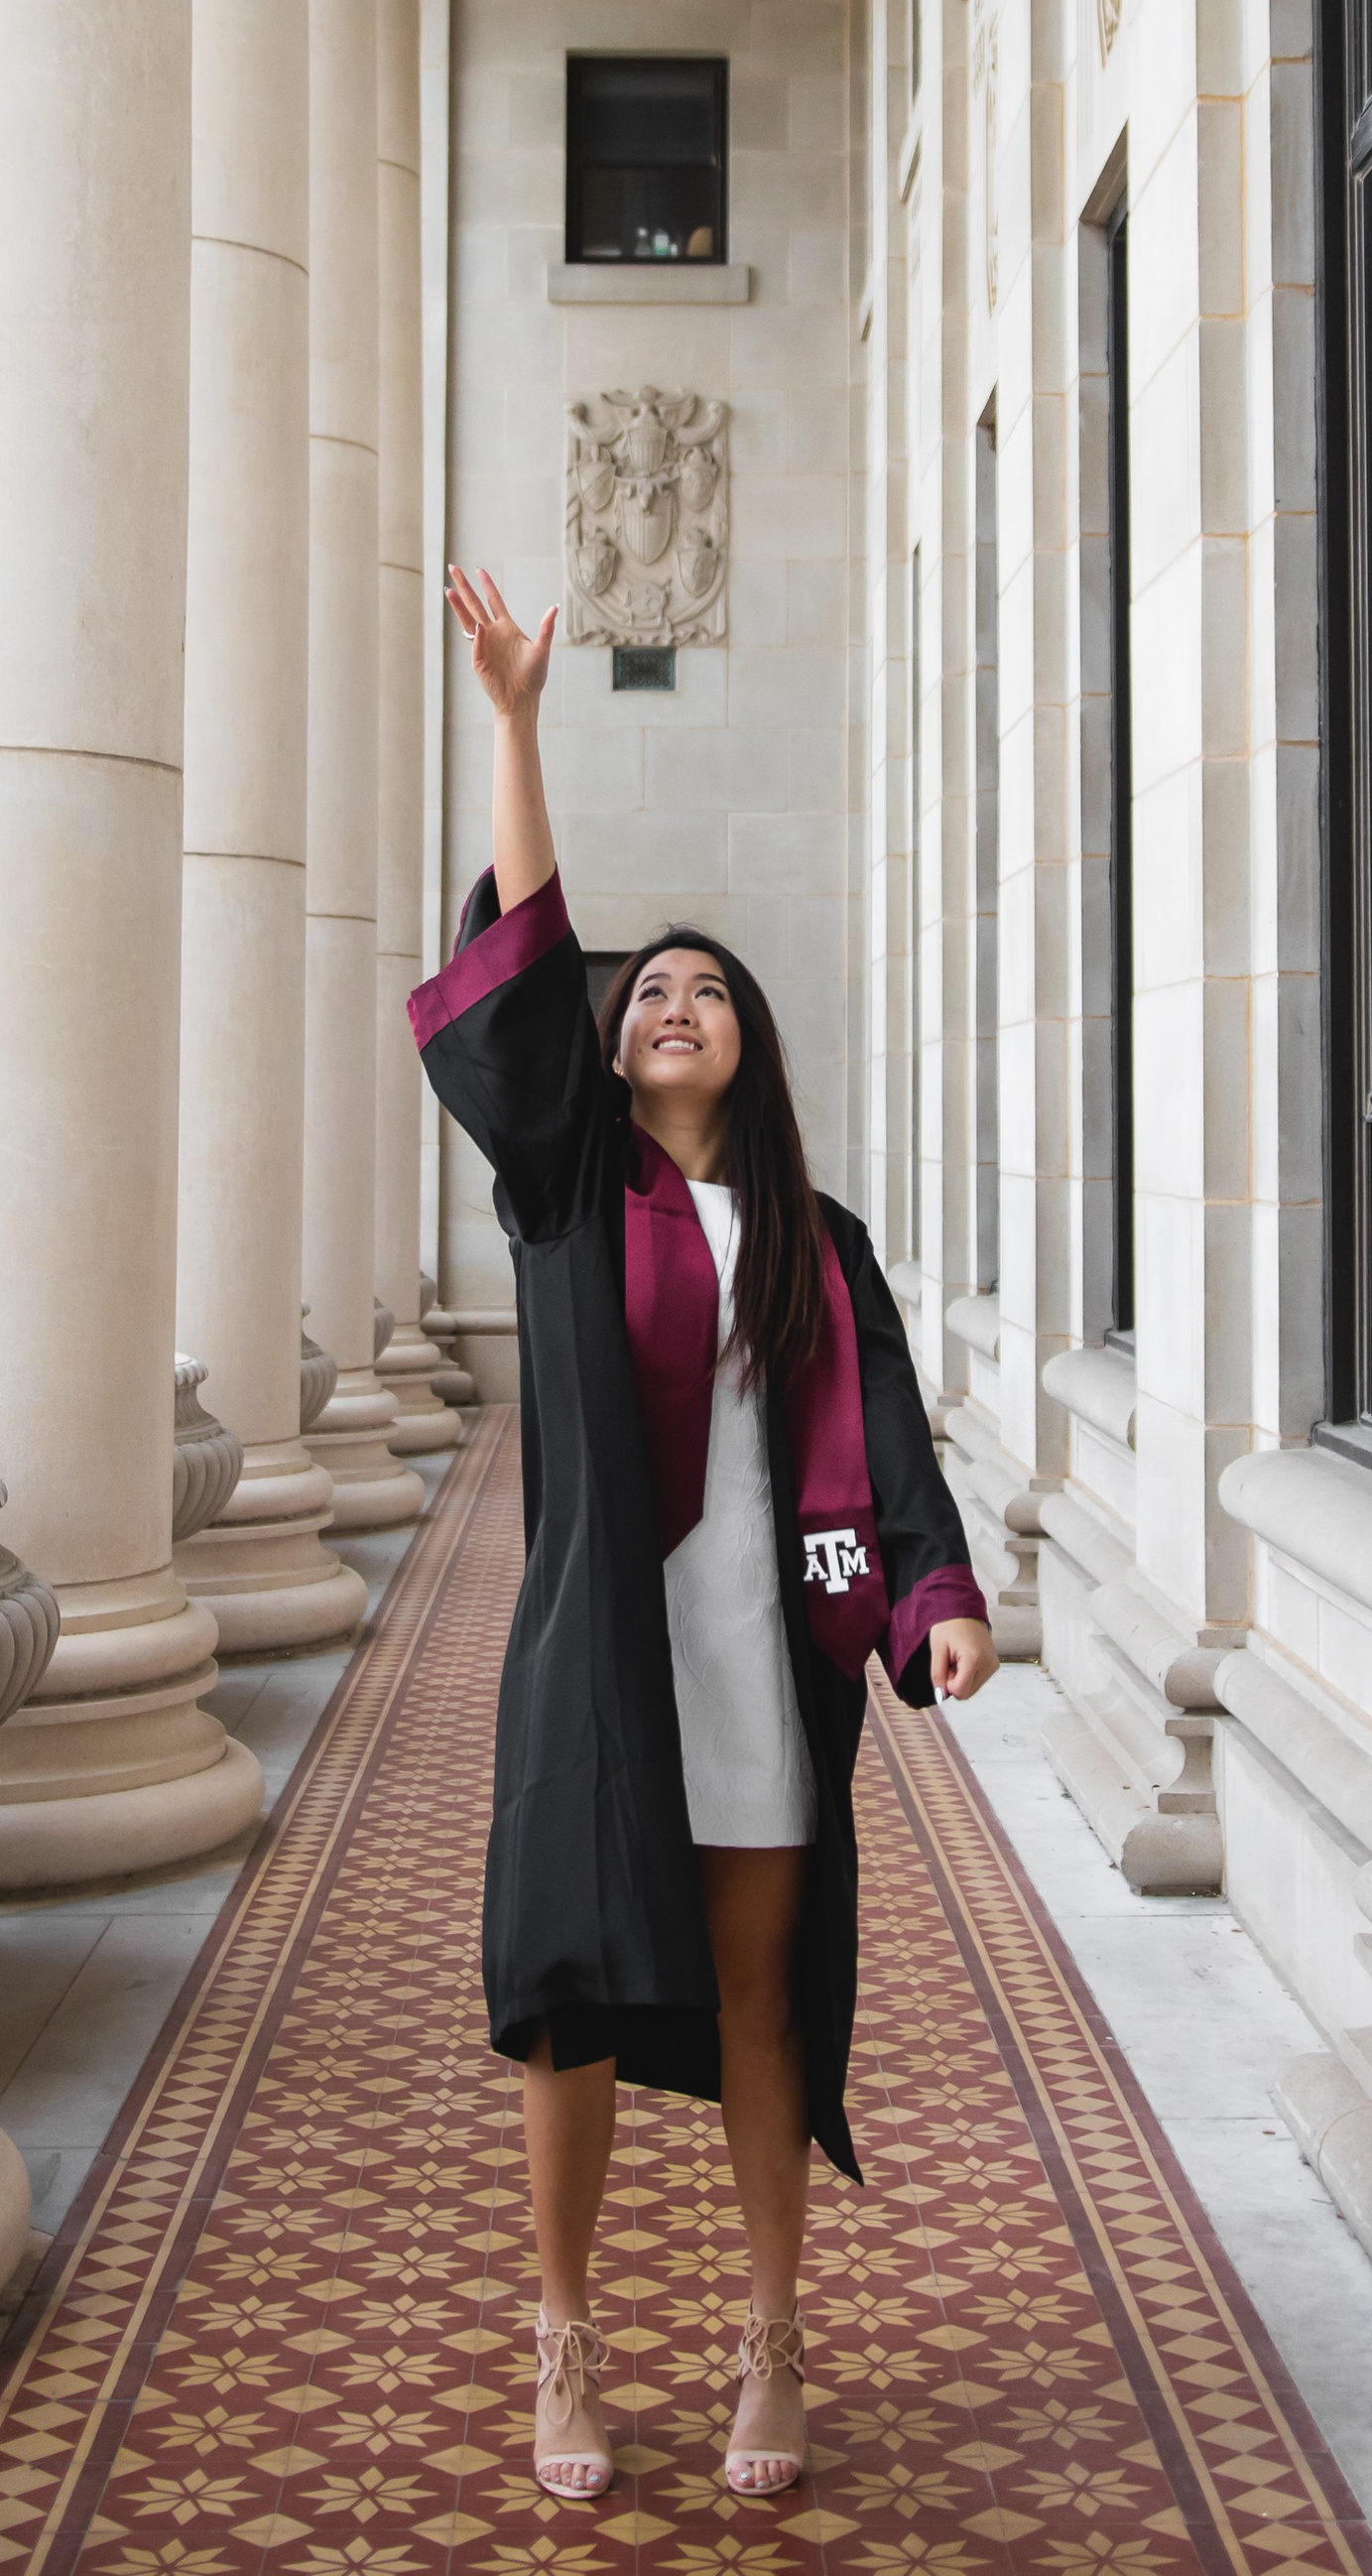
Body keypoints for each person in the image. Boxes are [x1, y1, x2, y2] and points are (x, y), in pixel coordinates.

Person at [411, 565, 999, 2508]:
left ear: (749, 1046)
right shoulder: (565, 1193)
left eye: (706, 990)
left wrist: (933, 1600)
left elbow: (891, 1443)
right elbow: (526, 958)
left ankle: (765, 2336)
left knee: (764, 1999)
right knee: (569, 1999)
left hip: (764, 1666)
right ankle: (562, 2333)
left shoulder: (818, 1248)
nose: (669, 1002)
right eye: (643, 990)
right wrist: (514, 725)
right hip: (601, 1660)